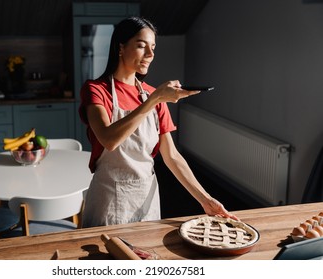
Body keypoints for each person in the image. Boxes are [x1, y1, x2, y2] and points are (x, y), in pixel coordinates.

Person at [79, 16, 238, 227]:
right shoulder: (96, 90)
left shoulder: (154, 95)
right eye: (141, 46)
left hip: (146, 197)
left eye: (153, 47)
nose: (150, 54)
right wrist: (154, 99)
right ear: (121, 47)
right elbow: (109, 139)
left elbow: (171, 156)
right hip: (108, 199)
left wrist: (205, 199)